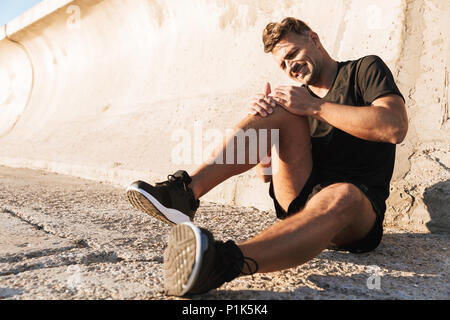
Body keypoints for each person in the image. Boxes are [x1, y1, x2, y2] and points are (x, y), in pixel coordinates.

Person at [126, 17, 408, 296]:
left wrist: (314, 107)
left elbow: (394, 126)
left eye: (293, 54)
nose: (291, 66)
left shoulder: (363, 70)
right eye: (283, 64)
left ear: (314, 39)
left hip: (355, 212)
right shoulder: (297, 99)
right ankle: (185, 193)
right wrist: (262, 125)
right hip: (301, 198)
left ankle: (221, 262)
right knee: (276, 106)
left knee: (342, 193)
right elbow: (267, 175)